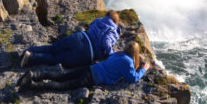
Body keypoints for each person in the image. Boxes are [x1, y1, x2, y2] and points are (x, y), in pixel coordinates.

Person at [17, 41, 150, 92]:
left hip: (91, 68)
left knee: (62, 75)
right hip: (94, 78)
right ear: (136, 54)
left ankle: (34, 75)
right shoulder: (128, 61)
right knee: (64, 85)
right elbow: (132, 77)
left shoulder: (118, 54)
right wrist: (144, 68)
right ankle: (32, 86)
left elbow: (113, 60)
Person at [19, 10, 122, 68]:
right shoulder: (113, 29)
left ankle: (28, 51)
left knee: (53, 48)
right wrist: (111, 54)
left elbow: (90, 26)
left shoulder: (99, 20)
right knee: (56, 59)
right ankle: (31, 57)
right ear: (116, 21)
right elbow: (106, 42)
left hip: (79, 36)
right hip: (86, 52)